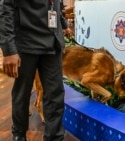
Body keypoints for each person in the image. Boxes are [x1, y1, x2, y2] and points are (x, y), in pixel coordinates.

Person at [0, 0, 72, 141]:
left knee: (55, 95)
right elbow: (5, 7)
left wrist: (63, 24)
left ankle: (54, 137)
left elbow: (56, 3)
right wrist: (8, 49)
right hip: (26, 43)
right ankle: (19, 135)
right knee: (22, 94)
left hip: (53, 43)